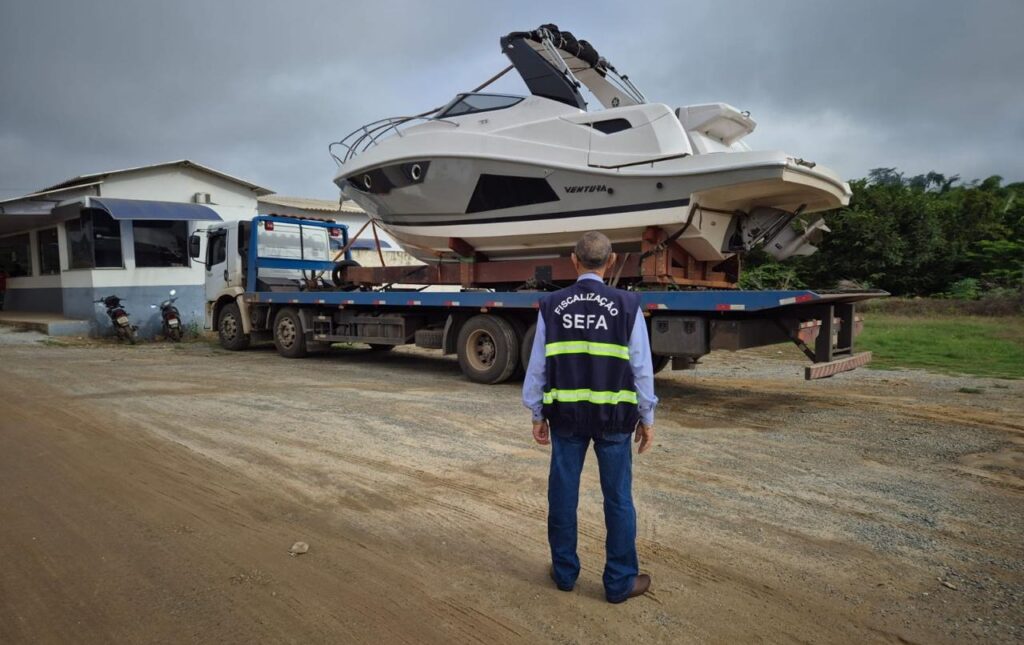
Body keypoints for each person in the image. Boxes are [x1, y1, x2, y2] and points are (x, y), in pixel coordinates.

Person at [522, 231, 658, 603]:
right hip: (614, 419)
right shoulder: (627, 305)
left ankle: (564, 574)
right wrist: (647, 416)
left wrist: (537, 412)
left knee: (563, 494)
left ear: (574, 260)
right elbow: (641, 367)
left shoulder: (552, 305)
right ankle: (619, 583)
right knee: (618, 500)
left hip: (566, 418)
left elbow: (538, 368)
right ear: (610, 261)